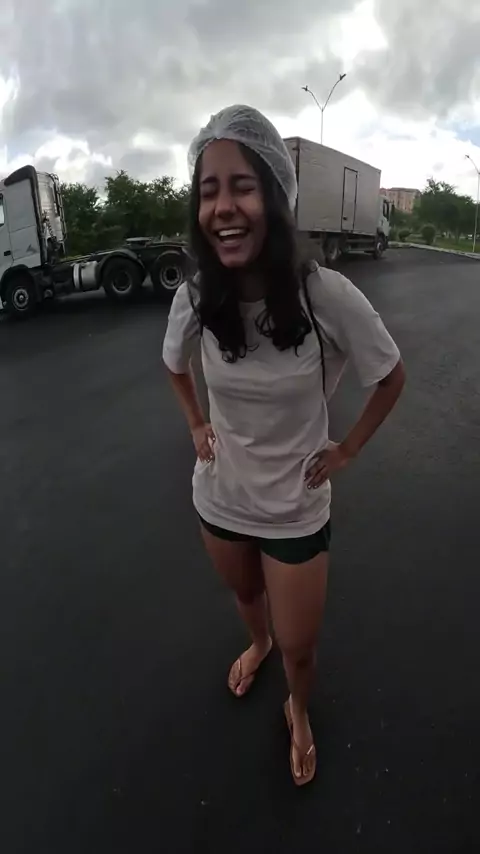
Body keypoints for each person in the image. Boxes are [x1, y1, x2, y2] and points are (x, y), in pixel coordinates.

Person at [162, 105, 405, 786]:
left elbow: (390, 375)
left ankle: (297, 707)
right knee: (245, 592)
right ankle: (257, 641)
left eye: (241, 186)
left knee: (302, 647)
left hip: (295, 509)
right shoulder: (197, 295)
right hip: (220, 497)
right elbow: (174, 364)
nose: (223, 206)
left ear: (274, 196)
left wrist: (346, 450)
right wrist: (196, 423)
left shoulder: (325, 295)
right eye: (209, 190)